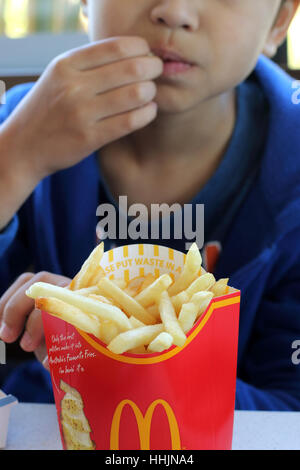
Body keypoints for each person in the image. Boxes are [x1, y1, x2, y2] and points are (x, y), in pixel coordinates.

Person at [0, 0, 300, 409]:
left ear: (279, 21)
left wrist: (127, 361)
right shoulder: (20, 129)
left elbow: (290, 404)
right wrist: (13, 164)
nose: (175, 11)